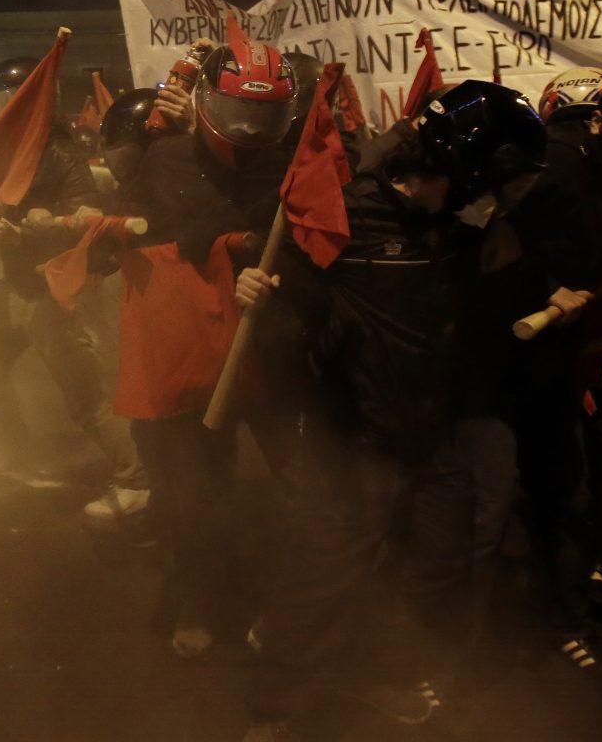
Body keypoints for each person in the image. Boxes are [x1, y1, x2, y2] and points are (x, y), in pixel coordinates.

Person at [236, 81, 547, 741]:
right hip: (353, 437)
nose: (493, 200)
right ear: (456, 169)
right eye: (490, 185)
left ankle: (377, 670)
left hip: (431, 433)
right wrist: (259, 287)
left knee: (437, 561)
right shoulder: (344, 217)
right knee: (325, 572)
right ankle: (277, 706)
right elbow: (275, 271)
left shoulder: (457, 226)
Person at [95, 37, 299, 660]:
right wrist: (101, 242)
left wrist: (277, 274)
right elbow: (130, 236)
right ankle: (198, 599)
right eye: (238, 111)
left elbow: (318, 244)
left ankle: (292, 605)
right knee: (194, 495)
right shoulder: (166, 162)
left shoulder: (294, 163)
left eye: (264, 115)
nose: (249, 129)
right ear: (208, 101)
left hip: (272, 346)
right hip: (196, 350)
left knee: (305, 486)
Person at [506, 69, 602, 700]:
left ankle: (563, 619)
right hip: (516, 350)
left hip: (573, 353)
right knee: (498, 495)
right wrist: (545, 291)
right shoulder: (554, 163)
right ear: (597, 118)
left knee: (572, 492)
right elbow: (493, 244)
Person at [0, 57, 144, 502]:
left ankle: (134, 476)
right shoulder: (3, 158)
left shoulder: (62, 156)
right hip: (14, 288)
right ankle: (18, 448)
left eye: (6, 104)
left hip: (53, 290)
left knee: (84, 397)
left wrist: (25, 230)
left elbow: (83, 222)